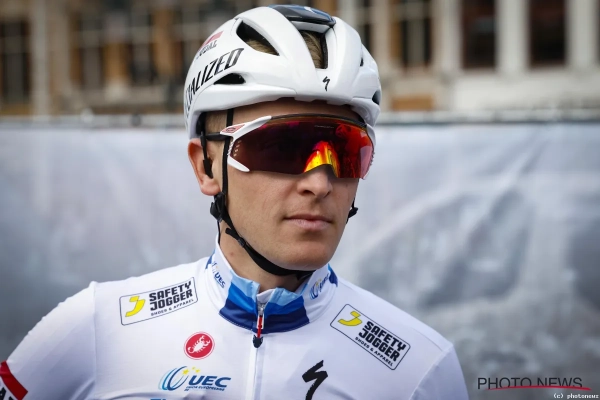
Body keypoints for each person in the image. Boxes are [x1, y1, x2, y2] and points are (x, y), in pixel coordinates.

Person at [0, 5, 469, 400]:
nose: (320, 182)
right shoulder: (95, 328)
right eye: (281, 146)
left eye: (346, 152)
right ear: (206, 168)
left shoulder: (421, 369)